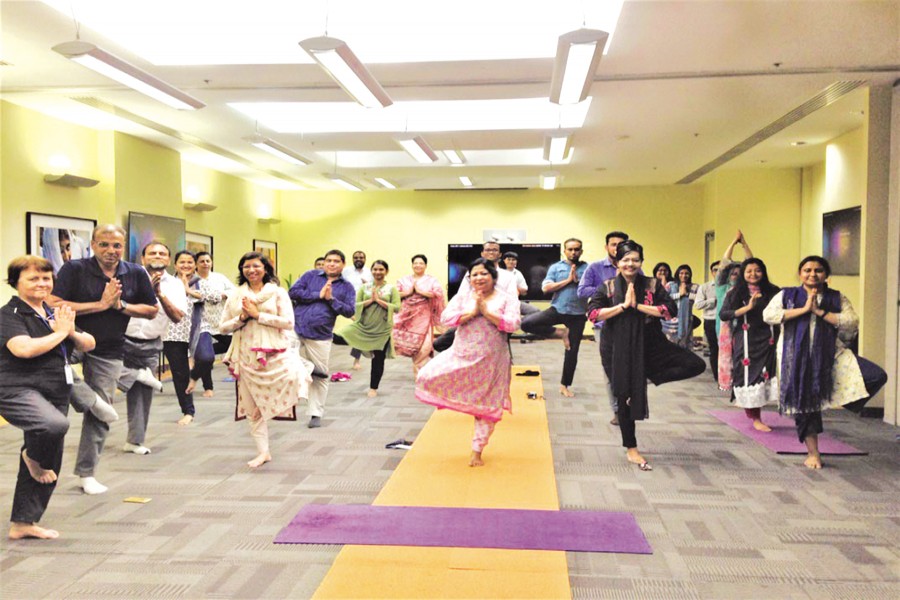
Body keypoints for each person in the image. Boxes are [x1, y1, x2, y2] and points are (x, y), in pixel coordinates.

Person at [49, 224, 158, 495]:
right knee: (56, 381)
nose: (111, 251)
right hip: (70, 340)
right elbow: (52, 303)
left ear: (123, 247)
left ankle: (87, 474)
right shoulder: (74, 269)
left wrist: (121, 306)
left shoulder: (134, 272)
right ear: (94, 245)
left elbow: (151, 309)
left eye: (117, 245)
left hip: (108, 347)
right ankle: (93, 395)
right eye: (105, 244)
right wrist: (99, 304)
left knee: (101, 414)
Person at [587, 240, 706, 471]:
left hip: (651, 345)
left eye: (635, 259)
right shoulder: (607, 286)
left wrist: (638, 306)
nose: (630, 264)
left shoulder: (652, 285)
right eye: (625, 260)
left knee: (695, 363)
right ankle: (631, 448)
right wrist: (622, 306)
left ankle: (648, 376)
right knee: (623, 395)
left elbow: (670, 310)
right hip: (617, 348)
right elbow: (593, 314)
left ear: (641, 261)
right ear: (617, 262)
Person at [1, 256, 96, 539]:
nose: (41, 283)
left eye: (46, 278)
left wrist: (70, 332)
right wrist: (61, 334)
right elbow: (24, 349)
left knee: (50, 458)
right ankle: (30, 455)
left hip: (55, 388)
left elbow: (89, 343)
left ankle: (23, 523)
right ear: (15, 283)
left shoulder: (53, 312)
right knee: (52, 426)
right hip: (16, 388)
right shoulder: (9, 314)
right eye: (33, 278)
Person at [763, 256, 888, 469]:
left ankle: (837, 399)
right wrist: (803, 310)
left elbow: (851, 321)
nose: (813, 274)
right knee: (806, 407)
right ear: (800, 274)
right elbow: (769, 315)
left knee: (876, 375)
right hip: (796, 358)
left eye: (818, 270)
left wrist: (819, 312)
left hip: (831, 354)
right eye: (807, 270)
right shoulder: (787, 295)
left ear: (826, 274)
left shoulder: (836, 298)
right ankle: (813, 453)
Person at [416, 258, 521, 467]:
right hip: (461, 354)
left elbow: (513, 324)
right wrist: (471, 313)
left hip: (492, 362)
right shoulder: (463, 297)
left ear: (493, 276)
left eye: (484, 273)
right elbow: (446, 319)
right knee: (425, 375)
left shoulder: (507, 298)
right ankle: (457, 402)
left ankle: (477, 451)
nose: (479, 278)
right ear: (469, 278)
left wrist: (487, 313)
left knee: (487, 408)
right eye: (474, 274)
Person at [219, 252, 310, 468]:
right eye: (246, 267)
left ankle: (307, 369)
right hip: (245, 357)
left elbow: (288, 322)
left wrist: (258, 315)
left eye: (256, 266)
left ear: (266, 269)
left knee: (296, 377)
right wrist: (243, 317)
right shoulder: (235, 295)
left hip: (273, 354)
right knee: (252, 409)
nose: (251, 270)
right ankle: (263, 452)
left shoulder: (277, 293)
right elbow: (222, 327)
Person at [116, 242, 187, 455]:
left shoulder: (174, 285)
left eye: (162, 253)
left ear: (168, 260)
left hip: (150, 343)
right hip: (120, 338)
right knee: (105, 372)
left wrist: (159, 294)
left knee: (142, 393)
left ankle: (134, 442)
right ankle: (137, 374)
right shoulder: (127, 277)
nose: (157, 256)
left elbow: (177, 318)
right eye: (152, 253)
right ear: (143, 258)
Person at [289, 250, 356, 428]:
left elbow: (349, 311)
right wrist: (317, 295)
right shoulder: (310, 276)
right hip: (297, 326)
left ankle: (315, 414)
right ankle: (308, 367)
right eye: (328, 260)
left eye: (336, 261)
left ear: (342, 264)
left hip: (321, 334)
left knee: (321, 376)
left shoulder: (347, 287)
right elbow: (293, 292)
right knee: (280, 351)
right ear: (324, 263)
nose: (331, 264)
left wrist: (331, 299)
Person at [718, 258, 781, 432]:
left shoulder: (773, 291)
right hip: (746, 341)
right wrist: (747, 308)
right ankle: (755, 417)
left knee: (766, 376)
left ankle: (764, 413)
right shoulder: (735, 292)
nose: (753, 274)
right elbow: (724, 314)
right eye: (749, 271)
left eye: (757, 270)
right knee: (748, 376)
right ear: (743, 274)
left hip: (768, 341)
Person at [578, 230, 634, 424]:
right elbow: (582, 290)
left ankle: (629, 401)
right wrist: (610, 288)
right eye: (613, 244)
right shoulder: (595, 268)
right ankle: (618, 410)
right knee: (611, 369)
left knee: (632, 366)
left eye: (621, 244)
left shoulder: (633, 266)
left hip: (630, 325)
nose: (617, 248)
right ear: (606, 247)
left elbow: (645, 290)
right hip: (605, 325)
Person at [521, 238, 588, 397]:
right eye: (570, 249)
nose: (573, 252)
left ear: (581, 251)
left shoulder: (588, 268)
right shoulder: (556, 267)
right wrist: (568, 281)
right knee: (527, 323)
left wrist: (580, 284)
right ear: (564, 251)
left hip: (577, 315)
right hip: (557, 309)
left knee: (572, 351)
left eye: (577, 249)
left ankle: (564, 385)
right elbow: (546, 288)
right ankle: (561, 333)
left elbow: (594, 290)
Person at [433, 241, 524, 352]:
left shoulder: (508, 276)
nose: (491, 252)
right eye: (488, 250)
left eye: (494, 250)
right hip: (470, 320)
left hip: (497, 320)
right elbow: (461, 295)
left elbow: (512, 300)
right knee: (440, 344)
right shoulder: (470, 274)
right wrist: (473, 311)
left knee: (498, 352)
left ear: (500, 254)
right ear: (482, 253)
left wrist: (490, 311)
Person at [335, 260, 401, 397]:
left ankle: (373, 388)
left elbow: (397, 308)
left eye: (381, 269)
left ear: (386, 272)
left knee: (378, 359)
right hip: (364, 326)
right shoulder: (364, 288)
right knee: (340, 335)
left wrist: (379, 301)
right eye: (375, 269)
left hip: (382, 329)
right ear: (371, 271)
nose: (378, 272)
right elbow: (355, 305)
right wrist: (370, 301)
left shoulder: (391, 288)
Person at [186, 251, 235, 398]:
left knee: (229, 345)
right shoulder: (193, 280)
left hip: (220, 320)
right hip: (203, 321)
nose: (205, 264)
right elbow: (194, 297)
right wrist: (214, 296)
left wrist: (224, 295)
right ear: (196, 264)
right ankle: (208, 387)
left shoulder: (219, 278)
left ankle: (197, 363)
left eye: (208, 261)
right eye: (202, 261)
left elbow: (233, 291)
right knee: (205, 357)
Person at [392, 254, 446, 376]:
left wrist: (420, 292)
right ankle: (419, 372)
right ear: (412, 265)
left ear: (425, 266)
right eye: (415, 263)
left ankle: (420, 374)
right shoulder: (403, 280)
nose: (418, 265)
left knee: (424, 346)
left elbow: (437, 294)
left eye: (421, 263)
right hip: (406, 318)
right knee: (410, 345)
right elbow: (395, 294)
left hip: (424, 318)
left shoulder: (432, 280)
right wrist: (408, 292)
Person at [163, 250, 198, 426]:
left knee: (181, 373)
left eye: (190, 262)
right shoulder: (167, 282)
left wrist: (187, 290)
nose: (186, 265)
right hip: (168, 332)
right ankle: (188, 409)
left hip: (188, 333)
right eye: (182, 262)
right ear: (174, 264)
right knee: (179, 372)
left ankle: (188, 411)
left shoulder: (200, 283)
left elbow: (211, 298)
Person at [716, 230, 754, 336]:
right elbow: (724, 262)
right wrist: (733, 242)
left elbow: (750, 262)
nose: (736, 275)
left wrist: (744, 244)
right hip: (725, 327)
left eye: (738, 273)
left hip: (743, 326)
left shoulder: (746, 287)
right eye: (733, 273)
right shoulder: (722, 287)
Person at [342, 250, 373, 370]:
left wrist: (368, 285)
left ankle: (357, 358)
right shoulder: (346, 272)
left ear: (365, 259)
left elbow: (375, 288)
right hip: (350, 305)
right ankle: (358, 358)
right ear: (352, 259)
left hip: (367, 305)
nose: (358, 259)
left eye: (361, 257)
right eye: (355, 257)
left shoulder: (370, 272)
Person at [693, 261, 721, 380]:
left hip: (727, 322)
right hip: (711, 320)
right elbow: (697, 305)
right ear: (712, 272)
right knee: (714, 348)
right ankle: (717, 376)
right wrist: (712, 301)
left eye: (721, 269)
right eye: (715, 269)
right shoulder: (705, 287)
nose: (718, 272)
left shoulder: (732, 286)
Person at [664, 264, 700, 349]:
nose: (684, 275)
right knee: (671, 345)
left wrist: (686, 293)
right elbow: (665, 298)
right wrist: (679, 294)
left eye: (687, 273)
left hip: (687, 319)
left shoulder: (695, 286)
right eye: (681, 273)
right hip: (672, 320)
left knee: (686, 343)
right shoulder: (671, 285)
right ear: (677, 273)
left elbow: (697, 299)